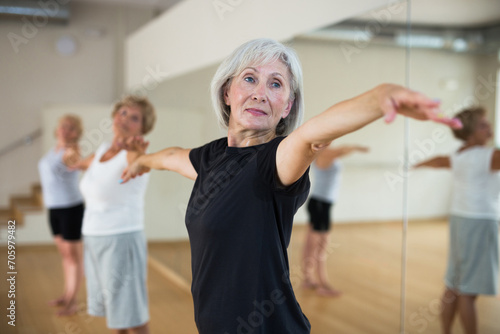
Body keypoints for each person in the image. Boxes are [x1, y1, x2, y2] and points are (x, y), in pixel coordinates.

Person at [121, 38, 461, 334]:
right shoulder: (211, 157)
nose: (260, 93)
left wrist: (381, 96)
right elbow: (172, 156)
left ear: (288, 105)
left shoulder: (276, 161)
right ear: (227, 91)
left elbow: (313, 132)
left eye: (275, 84)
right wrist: (141, 161)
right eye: (250, 79)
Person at [74, 96, 156, 334]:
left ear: (143, 128)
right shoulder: (102, 151)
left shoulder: (136, 154)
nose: (125, 120)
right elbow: (83, 165)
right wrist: (72, 159)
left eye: (134, 118)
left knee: (133, 316)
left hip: (121, 239)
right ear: (113, 117)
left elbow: (137, 165)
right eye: (122, 113)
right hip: (93, 237)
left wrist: (136, 154)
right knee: (114, 312)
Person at [414, 106, 499, 334]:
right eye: (483, 124)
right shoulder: (489, 155)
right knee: (468, 291)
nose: (489, 126)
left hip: (460, 221)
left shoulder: (459, 153)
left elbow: (440, 161)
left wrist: (416, 165)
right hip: (479, 223)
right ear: (470, 133)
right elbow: (440, 161)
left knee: (453, 285)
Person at [302, 145, 368, 297]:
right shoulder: (325, 153)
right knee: (321, 245)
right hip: (320, 205)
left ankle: (308, 278)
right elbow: (340, 151)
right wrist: (357, 148)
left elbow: (339, 150)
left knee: (311, 244)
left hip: (320, 203)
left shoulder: (325, 152)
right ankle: (322, 284)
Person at [38, 114, 85, 316]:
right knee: (65, 255)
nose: (66, 130)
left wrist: (76, 157)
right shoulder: (52, 151)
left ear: (77, 134)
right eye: (64, 126)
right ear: (57, 129)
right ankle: (66, 295)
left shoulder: (71, 151)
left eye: (71, 128)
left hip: (70, 209)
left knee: (73, 257)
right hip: (54, 209)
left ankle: (72, 301)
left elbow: (76, 161)